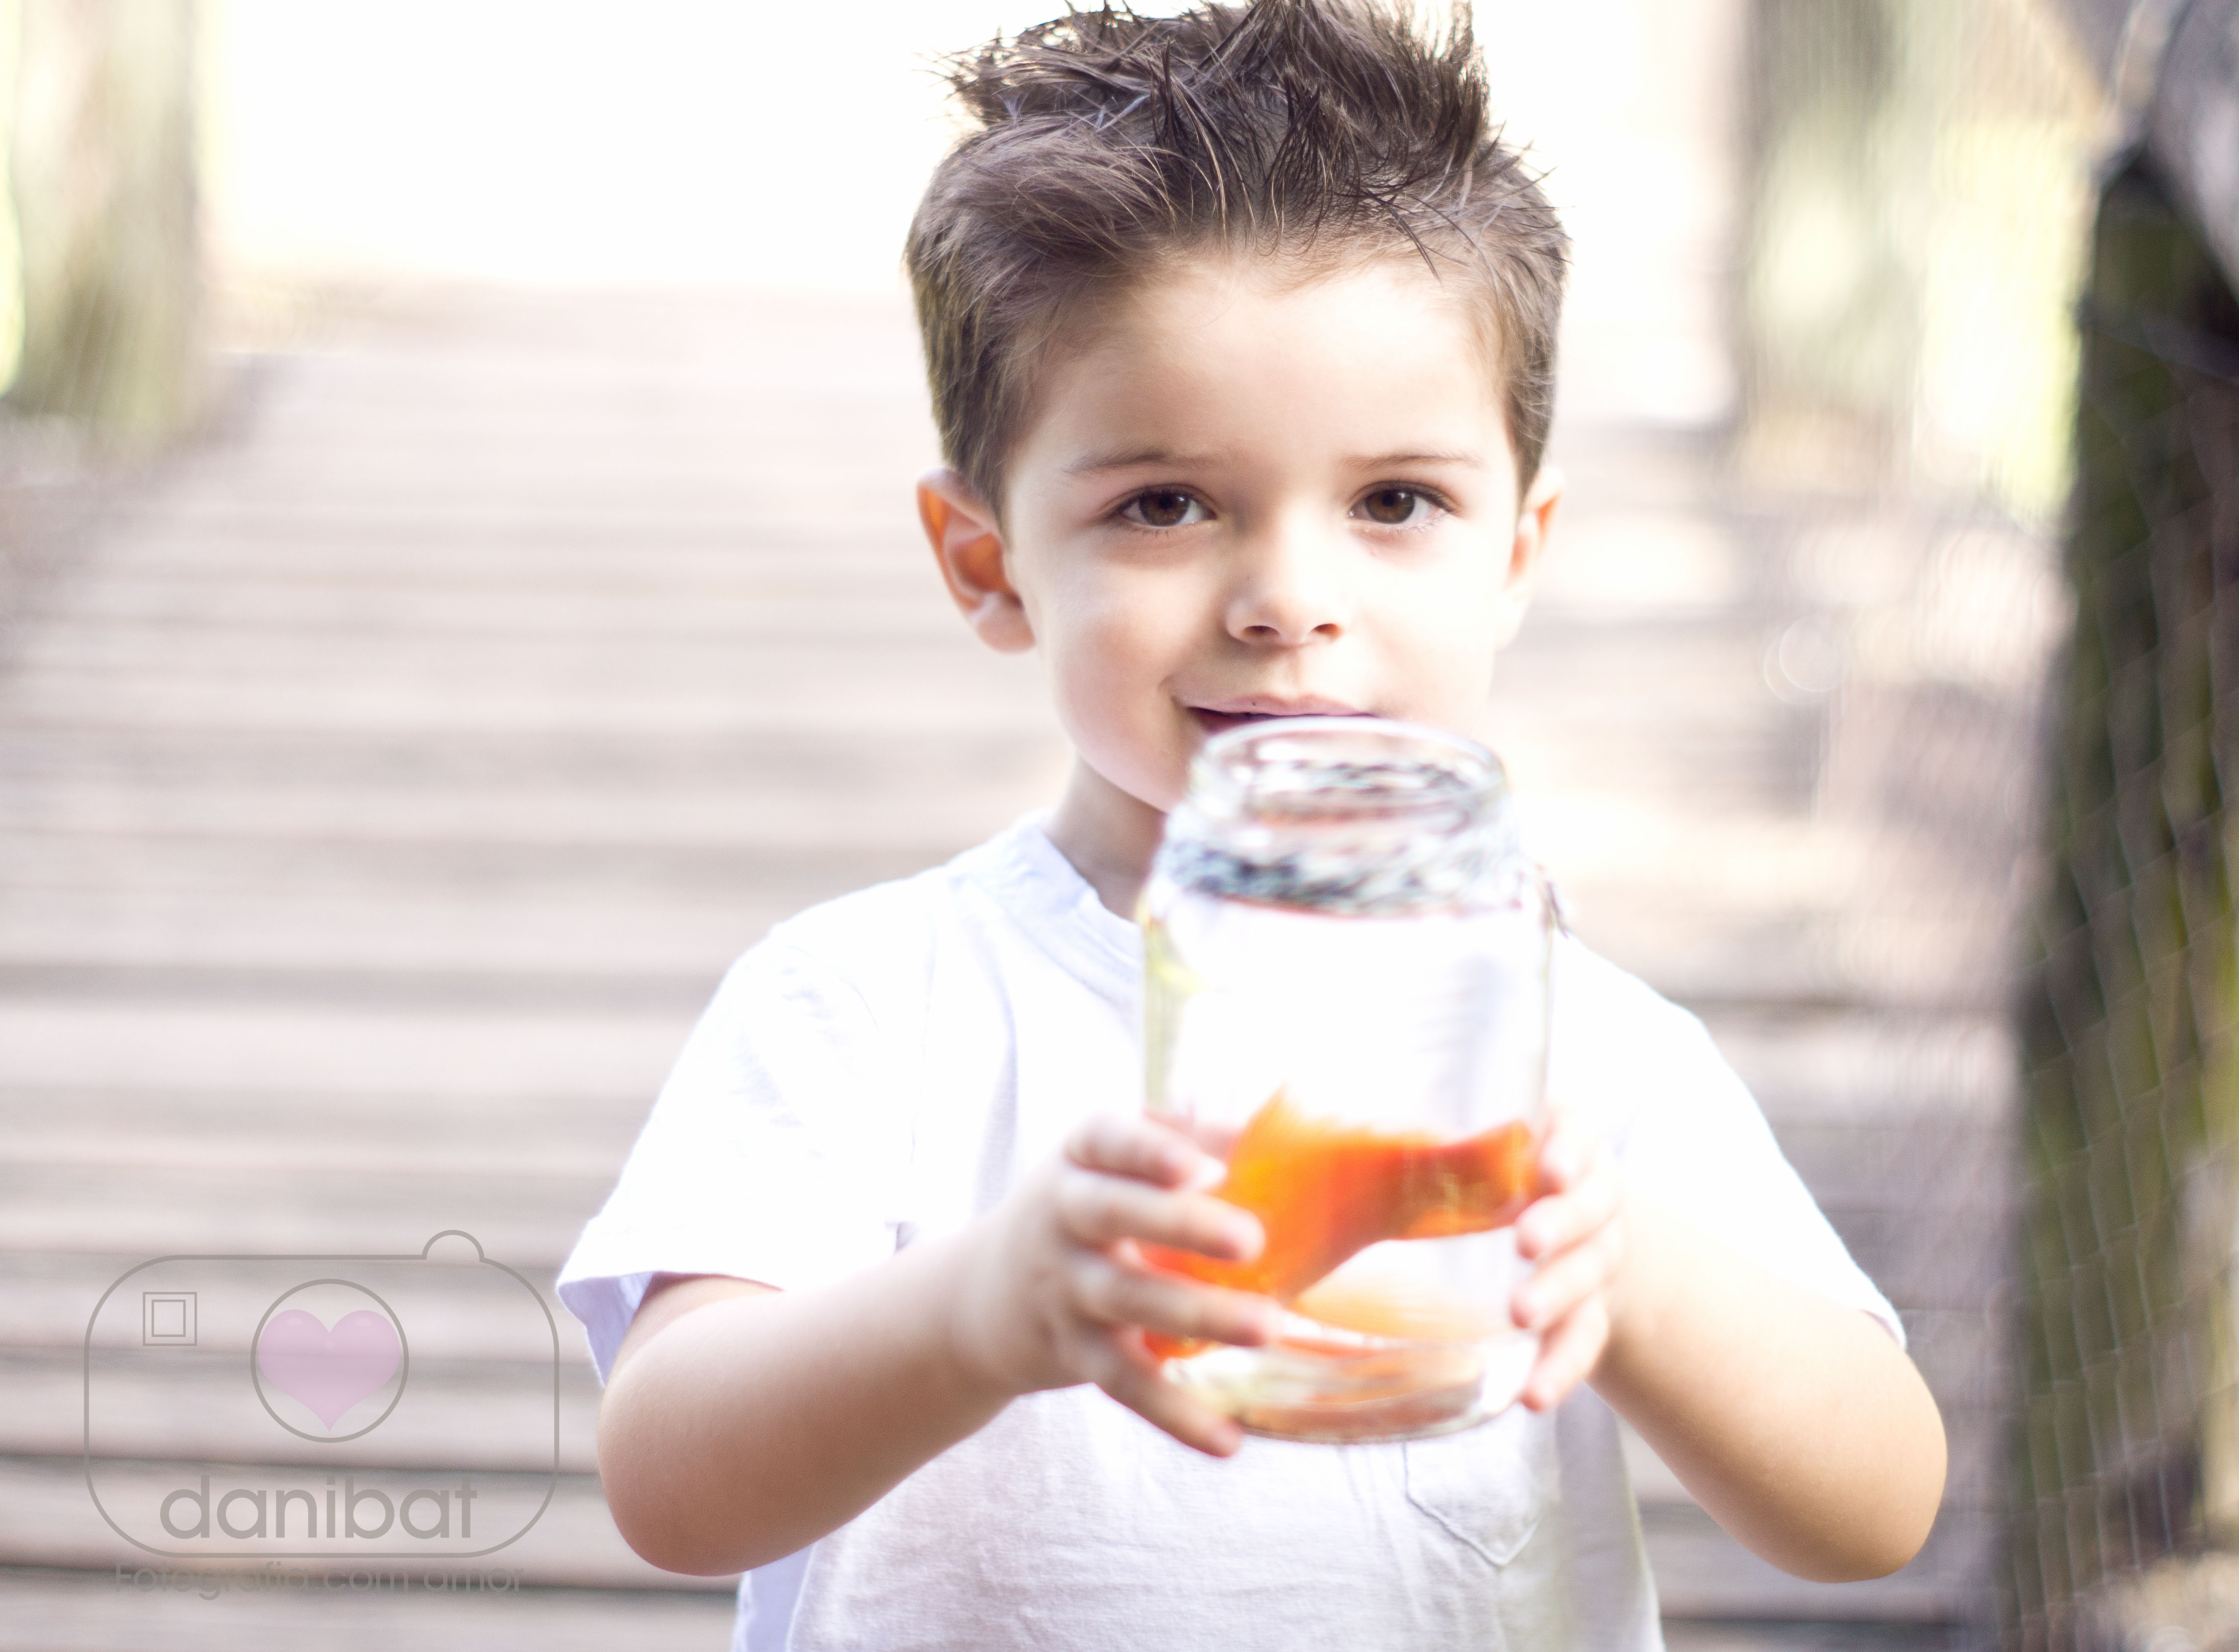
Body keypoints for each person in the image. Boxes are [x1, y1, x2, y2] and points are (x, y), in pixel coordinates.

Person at [556, 4, 1947, 1648]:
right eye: (1164, 504)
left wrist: (1628, 1272)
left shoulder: (1577, 1049)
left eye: (1395, 502)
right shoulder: (871, 1001)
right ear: (990, 565)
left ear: (1515, 552)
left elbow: (1876, 1507)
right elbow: (670, 1481)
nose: (1290, 598)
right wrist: (979, 1314)